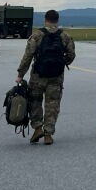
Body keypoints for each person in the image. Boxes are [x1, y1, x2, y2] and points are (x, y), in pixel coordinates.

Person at [16, 10, 76, 145]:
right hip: (56, 76)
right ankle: (48, 134)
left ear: (45, 19)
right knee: (52, 104)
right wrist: (62, 63)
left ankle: (38, 128)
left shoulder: (37, 35)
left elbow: (27, 56)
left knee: (35, 101)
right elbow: (71, 55)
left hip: (38, 75)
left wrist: (20, 75)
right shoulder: (65, 36)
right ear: (57, 20)